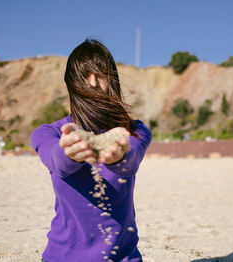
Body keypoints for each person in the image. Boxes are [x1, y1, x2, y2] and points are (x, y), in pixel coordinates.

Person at [30, 39, 152, 262]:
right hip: (62, 257)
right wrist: (70, 154)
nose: (93, 83)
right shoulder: (49, 133)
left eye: (100, 75)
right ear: (71, 84)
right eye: (84, 76)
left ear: (112, 80)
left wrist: (118, 157)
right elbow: (58, 161)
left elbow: (130, 161)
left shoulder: (134, 130)